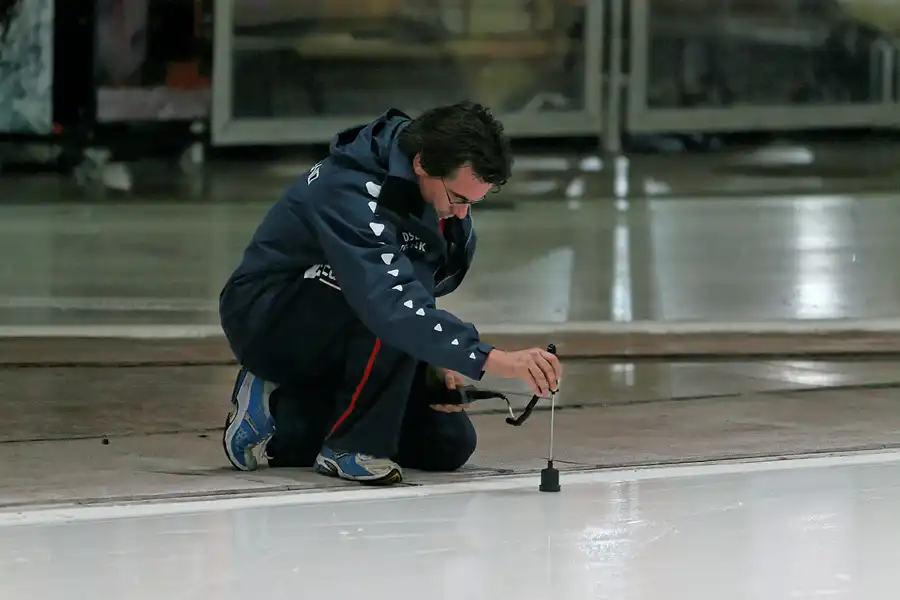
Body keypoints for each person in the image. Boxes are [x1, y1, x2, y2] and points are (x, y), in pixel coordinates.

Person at [219, 102, 562, 485]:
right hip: (272, 317)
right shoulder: (349, 188)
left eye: (472, 204)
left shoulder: (429, 192)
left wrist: (432, 355)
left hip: (369, 315)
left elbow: (413, 291)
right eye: (458, 199)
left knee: (446, 443)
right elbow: (388, 299)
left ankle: (280, 413)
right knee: (388, 304)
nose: (462, 215)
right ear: (421, 163)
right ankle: (346, 445)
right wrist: (491, 359)